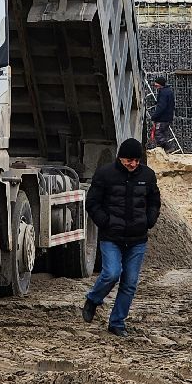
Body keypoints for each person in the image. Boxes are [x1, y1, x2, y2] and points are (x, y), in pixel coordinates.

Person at [82, 138, 160, 337]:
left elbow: (154, 201)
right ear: (120, 158)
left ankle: (117, 323)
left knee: (130, 282)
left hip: (137, 239)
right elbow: (92, 203)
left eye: (136, 160)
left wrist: (149, 220)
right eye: (128, 160)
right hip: (111, 237)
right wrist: (105, 221)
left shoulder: (148, 176)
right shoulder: (105, 174)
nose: (133, 164)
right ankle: (93, 300)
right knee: (111, 273)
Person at [146, 76, 176, 151]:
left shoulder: (163, 93)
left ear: (160, 84)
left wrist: (154, 116)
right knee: (163, 134)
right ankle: (163, 151)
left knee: (158, 133)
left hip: (163, 118)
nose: (155, 87)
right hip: (168, 117)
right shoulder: (168, 91)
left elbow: (161, 106)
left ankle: (168, 147)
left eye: (156, 85)